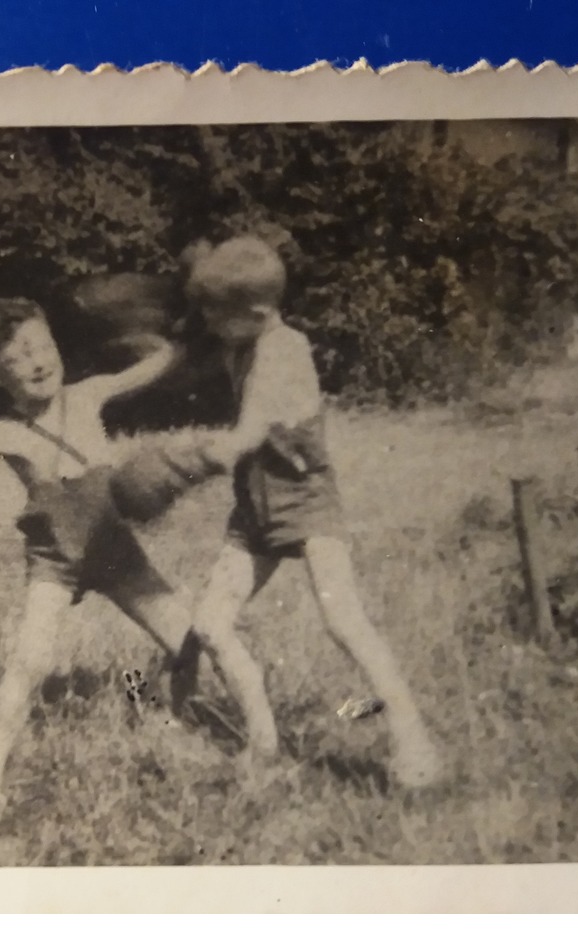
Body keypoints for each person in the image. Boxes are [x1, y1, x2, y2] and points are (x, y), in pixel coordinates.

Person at [183, 236, 445, 789]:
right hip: (254, 503)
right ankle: (263, 745)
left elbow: (251, 430)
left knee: (343, 621)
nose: (207, 324)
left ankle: (413, 740)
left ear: (254, 312)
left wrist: (188, 462)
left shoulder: (283, 348)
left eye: (215, 314)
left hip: (305, 499)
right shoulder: (243, 341)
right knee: (210, 623)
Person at [0, 297, 202, 796]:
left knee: (191, 639)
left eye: (42, 345)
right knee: (29, 661)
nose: (37, 361)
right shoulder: (2, 432)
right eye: (17, 357)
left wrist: (170, 334)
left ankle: (151, 700)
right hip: (55, 562)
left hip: (116, 551)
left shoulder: (88, 394)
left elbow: (153, 369)